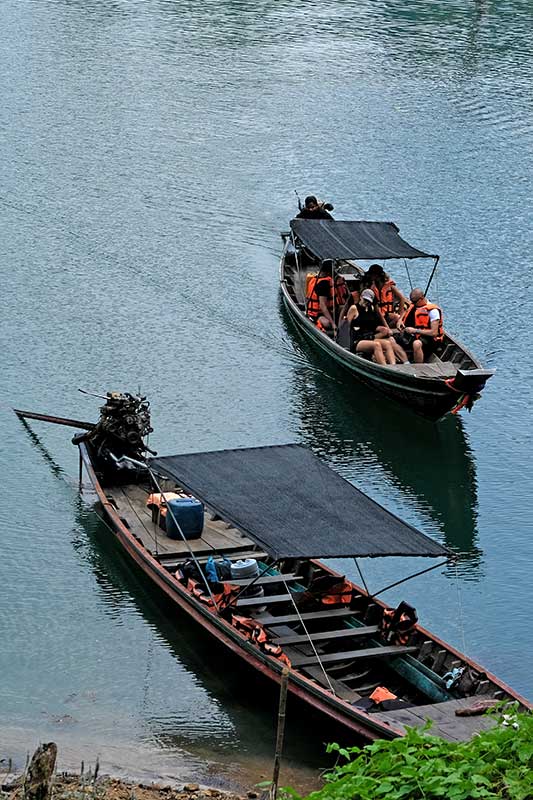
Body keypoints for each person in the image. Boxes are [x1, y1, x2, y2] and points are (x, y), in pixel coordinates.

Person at [345, 289, 403, 365]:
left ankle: (393, 366)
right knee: (376, 345)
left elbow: (372, 325)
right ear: (361, 297)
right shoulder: (354, 308)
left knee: (387, 343)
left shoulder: (370, 308)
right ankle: (384, 367)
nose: (366, 303)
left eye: (368, 301)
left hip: (368, 337)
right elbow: (346, 327)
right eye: (365, 300)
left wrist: (383, 329)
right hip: (356, 340)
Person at [401, 288, 444, 363]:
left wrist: (415, 331)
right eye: (412, 301)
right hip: (415, 335)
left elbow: (434, 333)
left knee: (417, 344)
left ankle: (419, 366)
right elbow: (405, 313)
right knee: (393, 339)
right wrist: (400, 321)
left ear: (421, 299)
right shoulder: (414, 306)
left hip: (430, 339)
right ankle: (405, 361)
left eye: (414, 302)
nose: (413, 304)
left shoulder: (433, 311)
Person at [306, 260, 336, 332]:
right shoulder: (323, 284)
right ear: (329, 272)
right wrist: (333, 324)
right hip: (317, 314)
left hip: (314, 311)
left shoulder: (315, 278)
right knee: (327, 323)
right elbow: (323, 306)